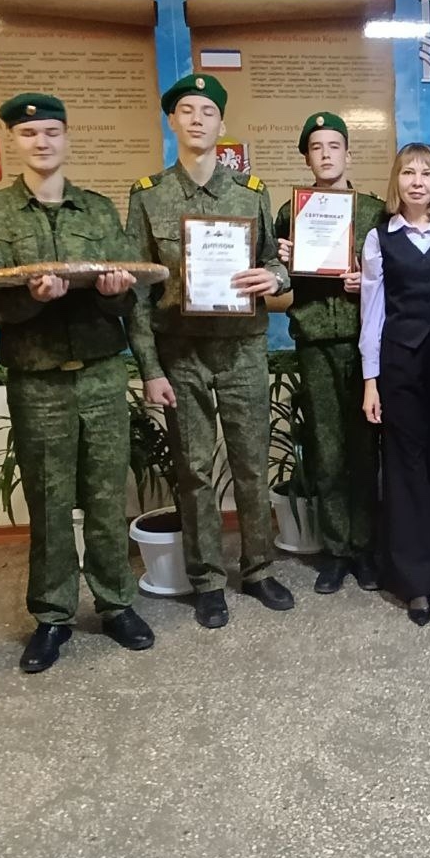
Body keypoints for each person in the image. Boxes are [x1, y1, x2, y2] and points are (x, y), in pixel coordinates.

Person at [0, 93, 154, 672]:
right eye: (29, 134)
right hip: (38, 379)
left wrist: (115, 292)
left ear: (67, 138)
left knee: (106, 494)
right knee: (49, 501)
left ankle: (115, 602)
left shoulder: (97, 211)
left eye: (52, 132)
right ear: (13, 141)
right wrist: (33, 299)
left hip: (100, 373)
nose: (42, 142)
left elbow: (127, 294)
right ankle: (52, 616)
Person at [127, 73, 293, 629]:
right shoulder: (148, 195)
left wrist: (273, 278)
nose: (197, 120)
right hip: (181, 352)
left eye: (207, 112)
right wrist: (150, 367)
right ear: (172, 122)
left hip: (243, 349)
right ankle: (206, 580)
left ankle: (259, 569)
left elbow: (275, 262)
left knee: (251, 463)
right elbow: (138, 290)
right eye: (187, 111)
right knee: (194, 469)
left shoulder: (250, 192)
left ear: (222, 124)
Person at [274, 111, 386, 594]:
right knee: (327, 448)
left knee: (366, 446)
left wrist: (368, 282)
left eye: (334, 146)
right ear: (307, 158)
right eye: (316, 147)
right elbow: (278, 282)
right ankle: (338, 550)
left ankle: (367, 548)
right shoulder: (290, 212)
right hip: (316, 340)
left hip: (366, 344)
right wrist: (283, 262)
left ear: (348, 154)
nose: (326, 154)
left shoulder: (375, 211)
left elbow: (394, 277)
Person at [360, 143, 430, 626]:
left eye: (427, 173)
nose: (418, 181)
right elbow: (372, 312)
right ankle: (414, 582)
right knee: (405, 469)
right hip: (399, 364)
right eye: (408, 172)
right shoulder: (379, 238)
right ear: (397, 181)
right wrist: (371, 380)